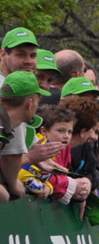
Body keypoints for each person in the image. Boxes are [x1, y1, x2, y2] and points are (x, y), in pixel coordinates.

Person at [1, 71, 61, 201]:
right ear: (29, 103)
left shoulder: (7, 125)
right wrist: (10, 188)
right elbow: (9, 159)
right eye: (38, 98)